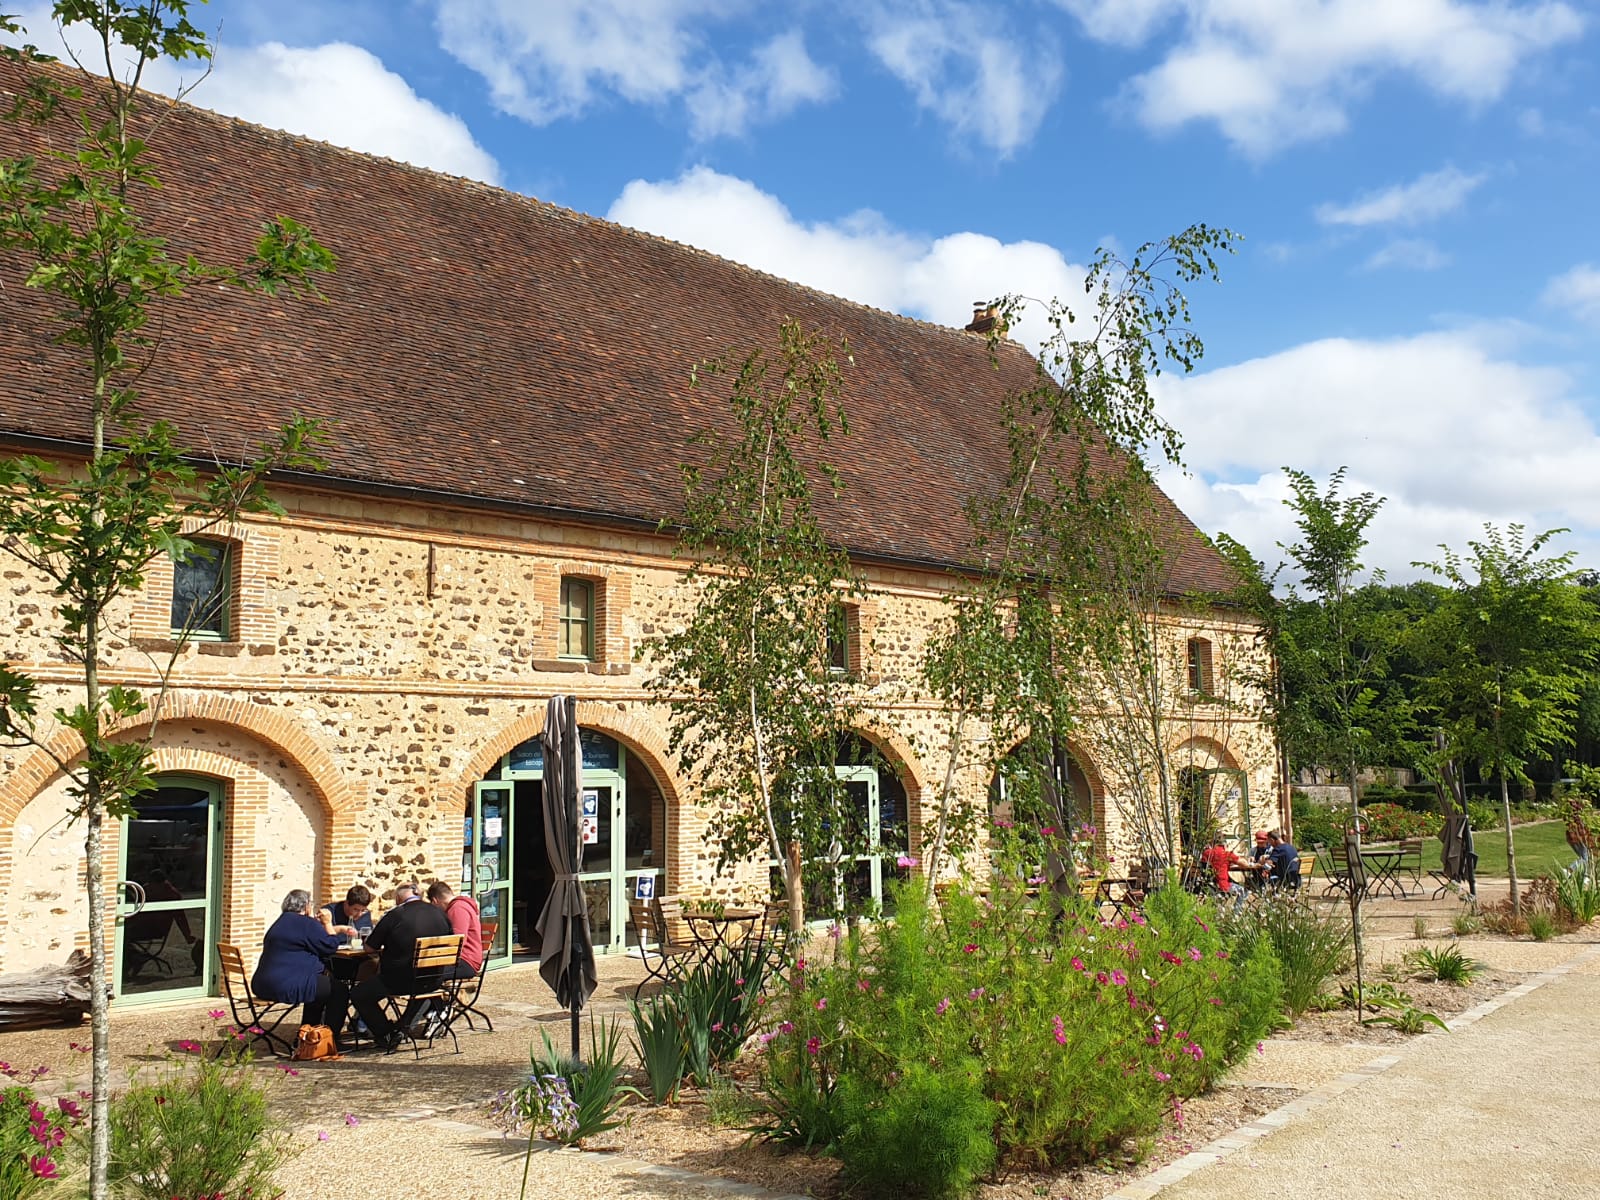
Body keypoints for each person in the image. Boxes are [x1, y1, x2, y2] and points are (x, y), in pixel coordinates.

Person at [349, 880, 451, 1052]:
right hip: (433, 979)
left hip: (400, 980)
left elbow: (369, 948)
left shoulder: (396, 914)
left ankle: (386, 1033)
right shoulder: (440, 913)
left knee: (359, 994)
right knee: (420, 987)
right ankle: (402, 1028)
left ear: (398, 898)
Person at [251, 889, 346, 1029]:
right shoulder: (306, 923)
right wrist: (327, 923)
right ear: (307, 907)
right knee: (338, 990)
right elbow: (331, 946)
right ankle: (330, 1039)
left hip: (261, 985)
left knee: (318, 985)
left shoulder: (280, 922)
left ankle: (309, 1034)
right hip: (284, 985)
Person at [426, 880, 483, 981]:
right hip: (465, 959)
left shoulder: (457, 909)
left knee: (424, 974)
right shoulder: (460, 906)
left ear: (435, 901)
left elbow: (457, 942)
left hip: (466, 962)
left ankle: (430, 997)